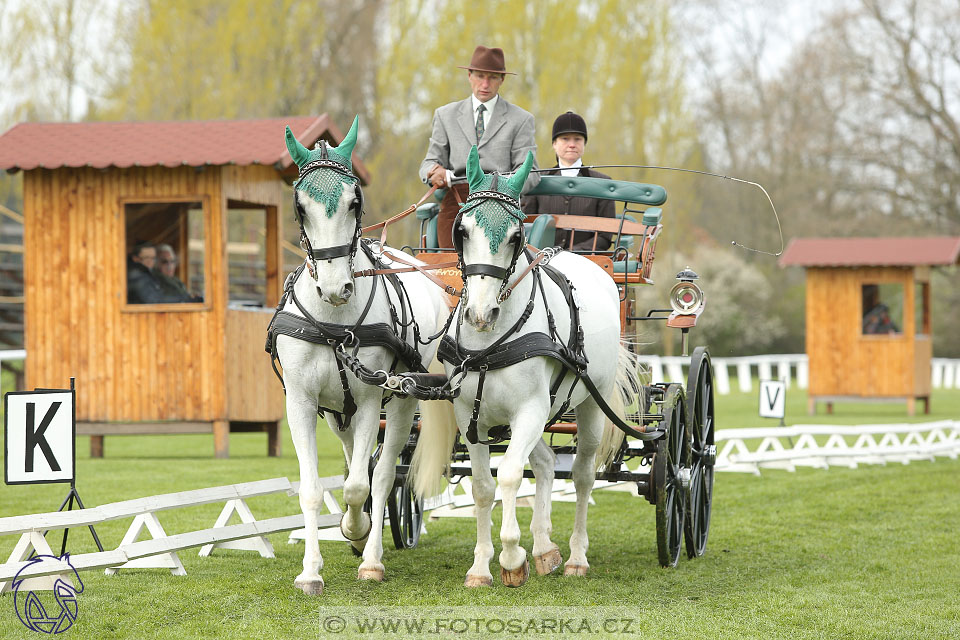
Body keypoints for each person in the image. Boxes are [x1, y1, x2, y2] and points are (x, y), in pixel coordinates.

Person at [419, 45, 539, 248]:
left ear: (502, 79)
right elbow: (429, 162)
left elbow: (531, 173)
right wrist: (434, 172)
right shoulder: (445, 115)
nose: (485, 84)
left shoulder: (521, 119)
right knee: (451, 268)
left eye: (492, 77)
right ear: (469, 76)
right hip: (457, 201)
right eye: (480, 76)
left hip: (501, 202)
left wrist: (505, 185)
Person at [521, 111, 616, 252]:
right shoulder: (537, 181)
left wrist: (572, 254)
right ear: (554, 144)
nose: (572, 144)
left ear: (584, 144)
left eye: (577, 139)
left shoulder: (603, 183)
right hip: (541, 262)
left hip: (586, 261)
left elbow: (605, 236)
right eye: (565, 139)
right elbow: (525, 225)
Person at [127, 242, 195, 304]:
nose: (151, 262)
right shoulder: (136, 275)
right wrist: (187, 299)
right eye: (147, 257)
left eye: (153, 258)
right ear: (135, 259)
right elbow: (155, 300)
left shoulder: (148, 274)